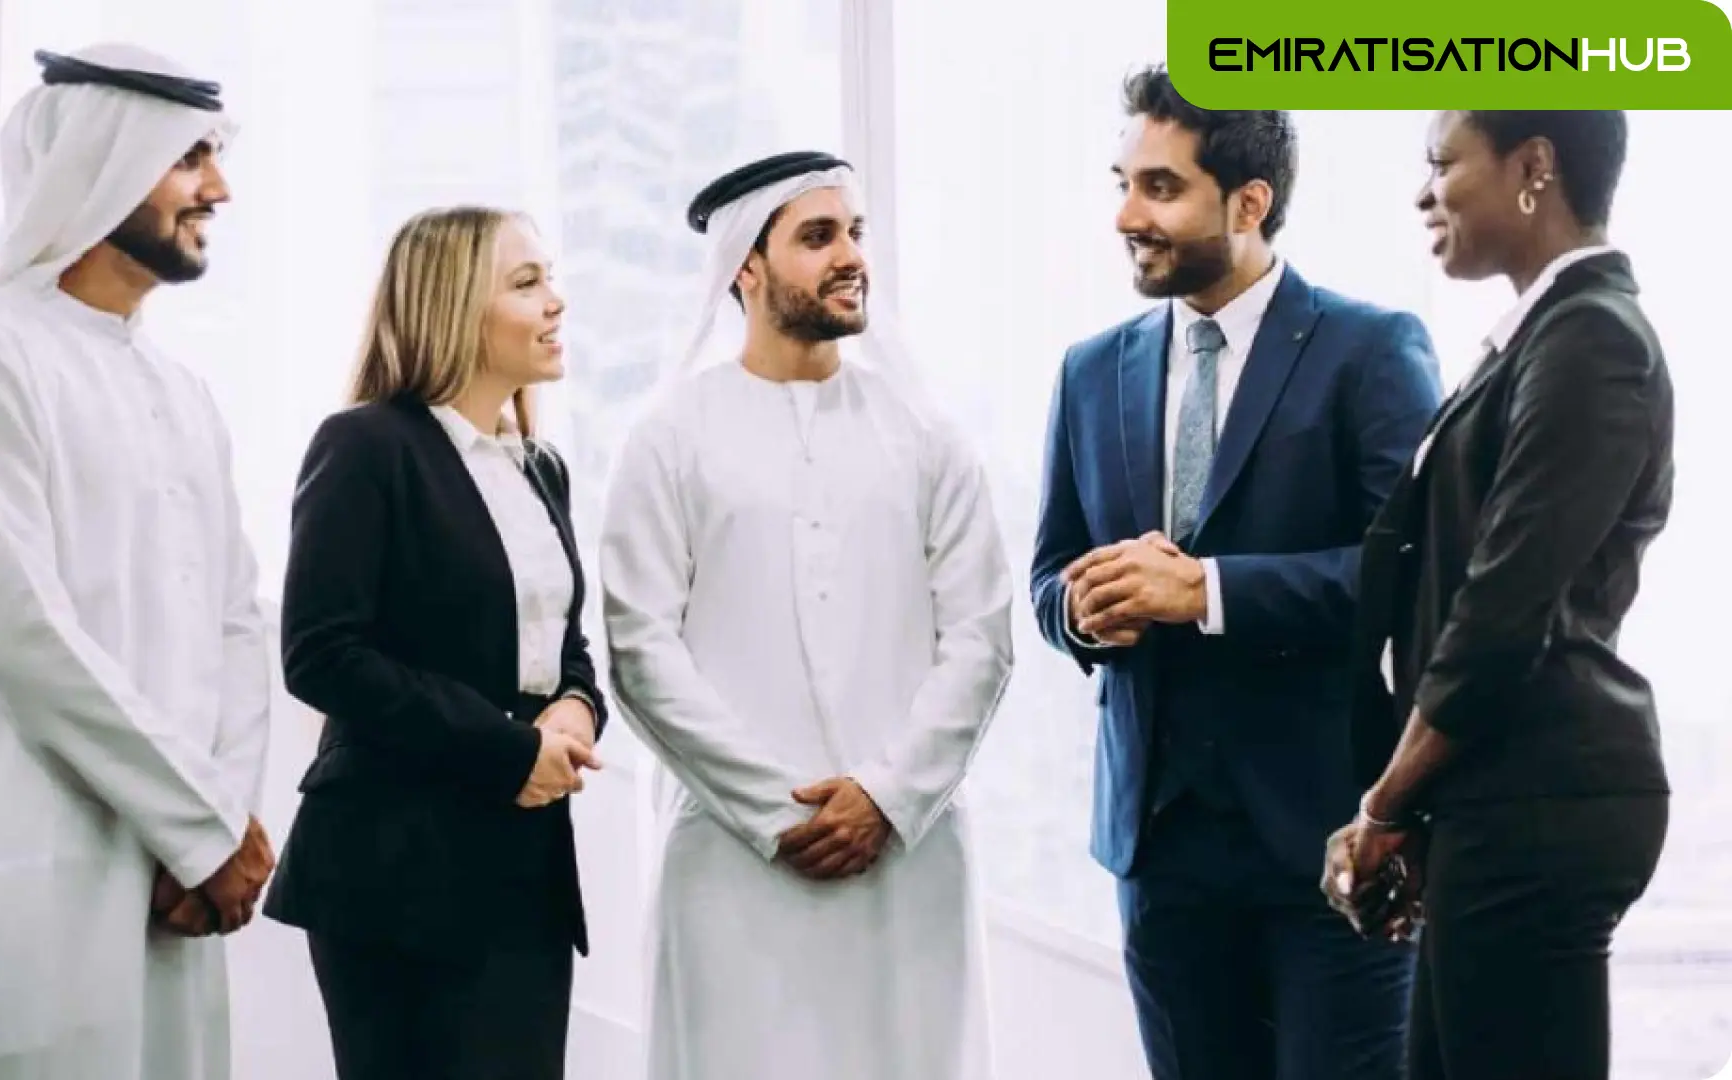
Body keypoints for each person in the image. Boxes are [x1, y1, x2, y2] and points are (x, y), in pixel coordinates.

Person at [0, 43, 277, 1080]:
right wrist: (202, 827)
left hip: (172, 892)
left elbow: (236, 623)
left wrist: (217, 824)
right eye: (188, 159)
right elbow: (23, 633)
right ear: (99, 161)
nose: (218, 190)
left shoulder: (184, 394)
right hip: (29, 884)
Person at [1029, 66, 1443, 1080]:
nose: (1127, 215)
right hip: (1158, 854)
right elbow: (1048, 579)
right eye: (1123, 183)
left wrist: (1207, 593)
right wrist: (1081, 611)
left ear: (1249, 203)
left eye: (1160, 187)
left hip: (1331, 842)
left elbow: (1412, 578)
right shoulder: (1089, 370)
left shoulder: (1370, 349)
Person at [599, 150, 1014, 1080]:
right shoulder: (668, 437)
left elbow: (982, 640)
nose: (851, 255)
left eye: (856, 233)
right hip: (732, 862)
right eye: (818, 236)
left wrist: (886, 797)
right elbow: (640, 653)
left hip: (910, 855)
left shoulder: (927, 434)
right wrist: (775, 812)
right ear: (746, 266)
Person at [1327, 110, 1671, 1080]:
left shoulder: (1592, 337)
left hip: (1539, 800)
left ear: (1534, 167)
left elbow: (1501, 608)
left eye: (1443, 162)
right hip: (1497, 795)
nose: (1422, 193)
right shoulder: (1546, 335)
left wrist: (1385, 805)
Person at [260, 206, 606, 1080]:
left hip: (525, 865)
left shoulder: (542, 467)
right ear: (453, 307)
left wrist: (576, 706)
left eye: (551, 277)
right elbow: (321, 652)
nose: (556, 301)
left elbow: (561, 642)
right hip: (395, 869)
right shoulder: (365, 445)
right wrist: (509, 751)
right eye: (526, 283)